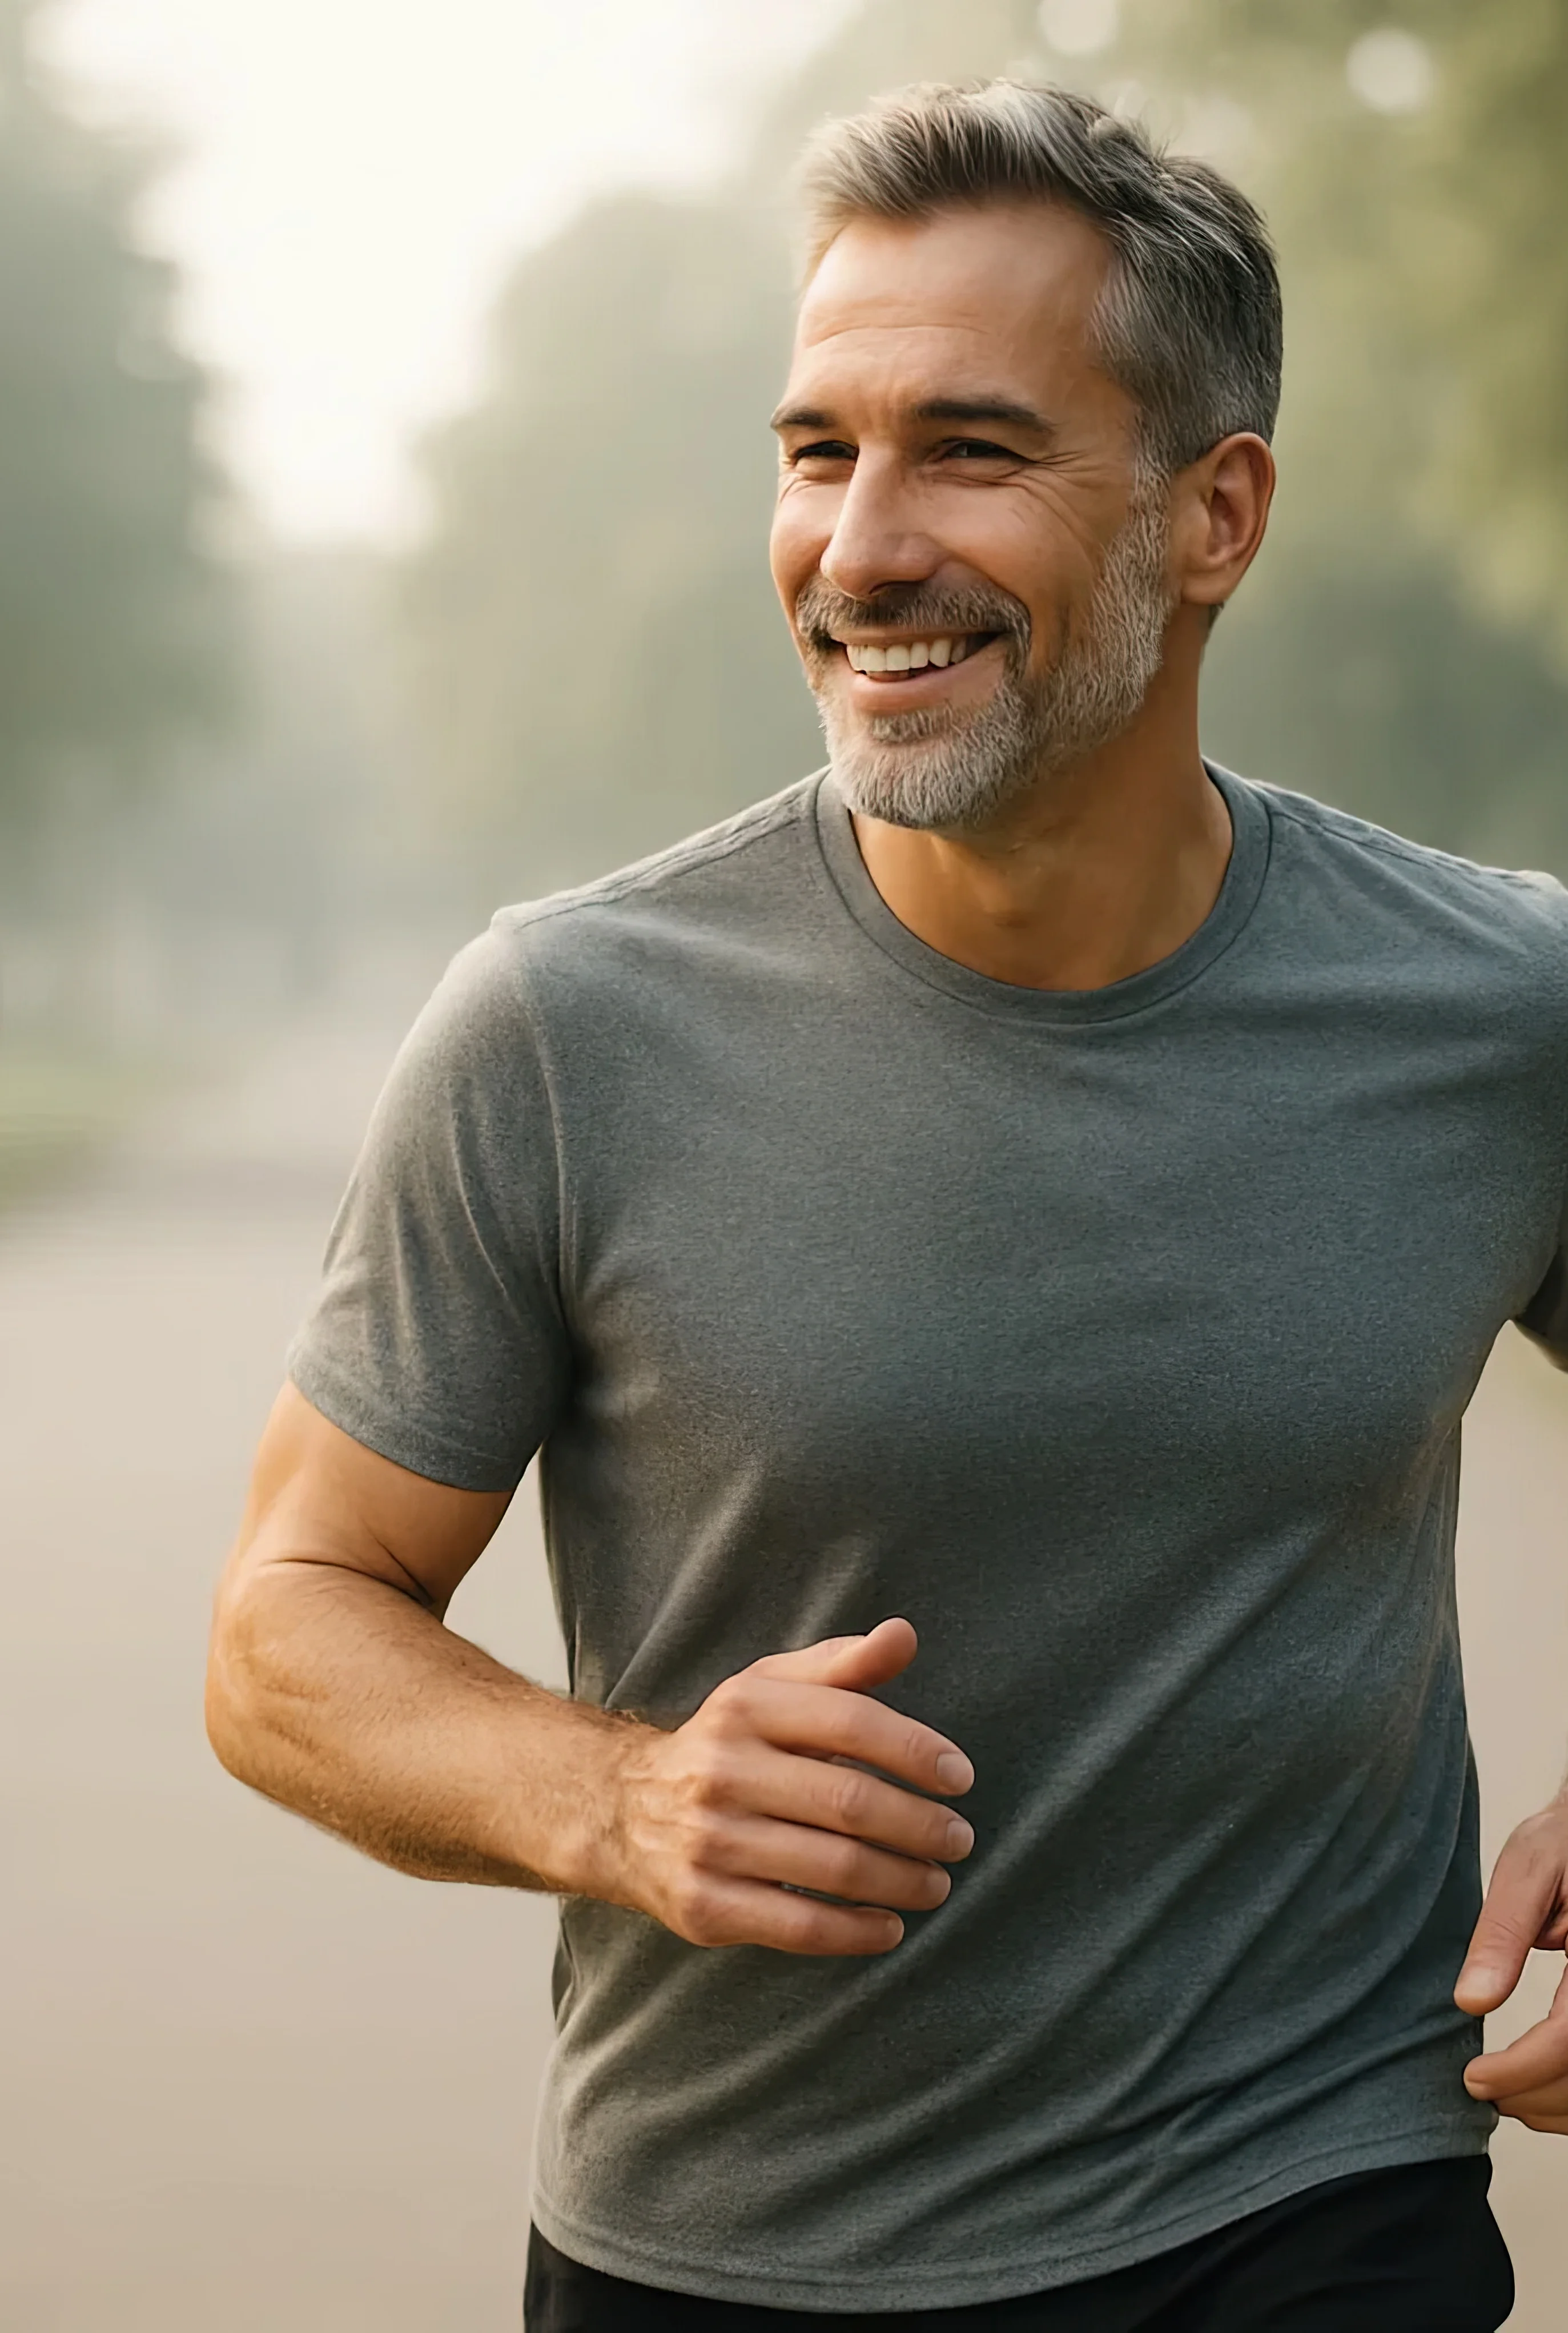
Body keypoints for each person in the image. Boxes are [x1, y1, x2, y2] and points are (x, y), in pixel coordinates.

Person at [206, 79, 1568, 2331]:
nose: (854, 546)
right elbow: (287, 1628)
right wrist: (615, 1797)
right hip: (730, 2258)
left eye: (967, 447)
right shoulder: (566, 1022)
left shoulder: (1492, 1004)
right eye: (816, 449)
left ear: (1209, 512)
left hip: (1316, 2201)